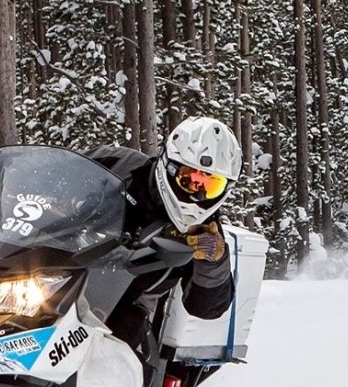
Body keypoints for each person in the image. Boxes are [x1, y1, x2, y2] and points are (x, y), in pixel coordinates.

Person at [88, 116, 242, 352]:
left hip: (127, 306)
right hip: (63, 276)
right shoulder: (117, 164)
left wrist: (212, 263)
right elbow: (54, 173)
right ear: (169, 166)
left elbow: (205, 308)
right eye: (188, 179)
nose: (196, 193)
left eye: (210, 186)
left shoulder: (206, 232)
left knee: (116, 361)